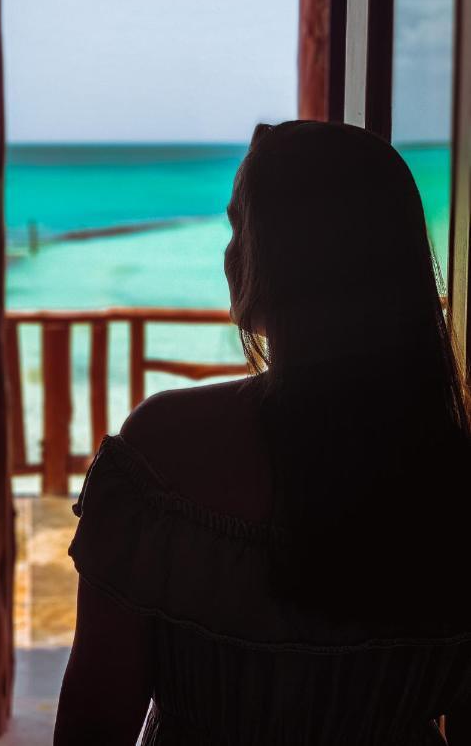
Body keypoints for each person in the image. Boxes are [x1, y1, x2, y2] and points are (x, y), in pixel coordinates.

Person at [54, 121, 471, 745]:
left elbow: (94, 719)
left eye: (239, 228)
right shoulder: (449, 472)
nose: (228, 255)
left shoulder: (166, 452)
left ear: (286, 257)